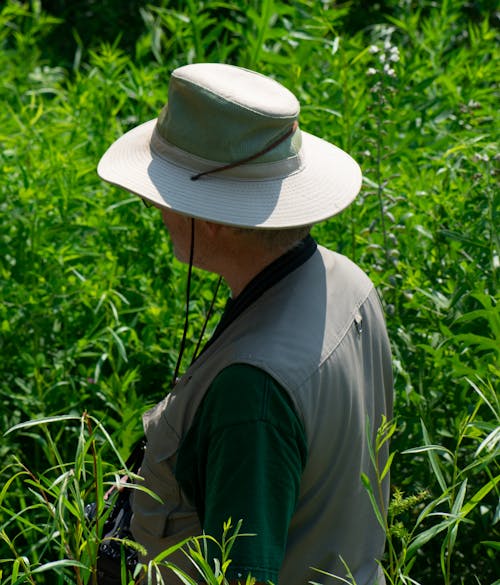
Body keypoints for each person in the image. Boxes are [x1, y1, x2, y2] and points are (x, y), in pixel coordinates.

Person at [97, 62, 393, 585]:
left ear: (208, 216)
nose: (154, 206)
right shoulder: (347, 281)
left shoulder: (249, 391)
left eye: (165, 195)